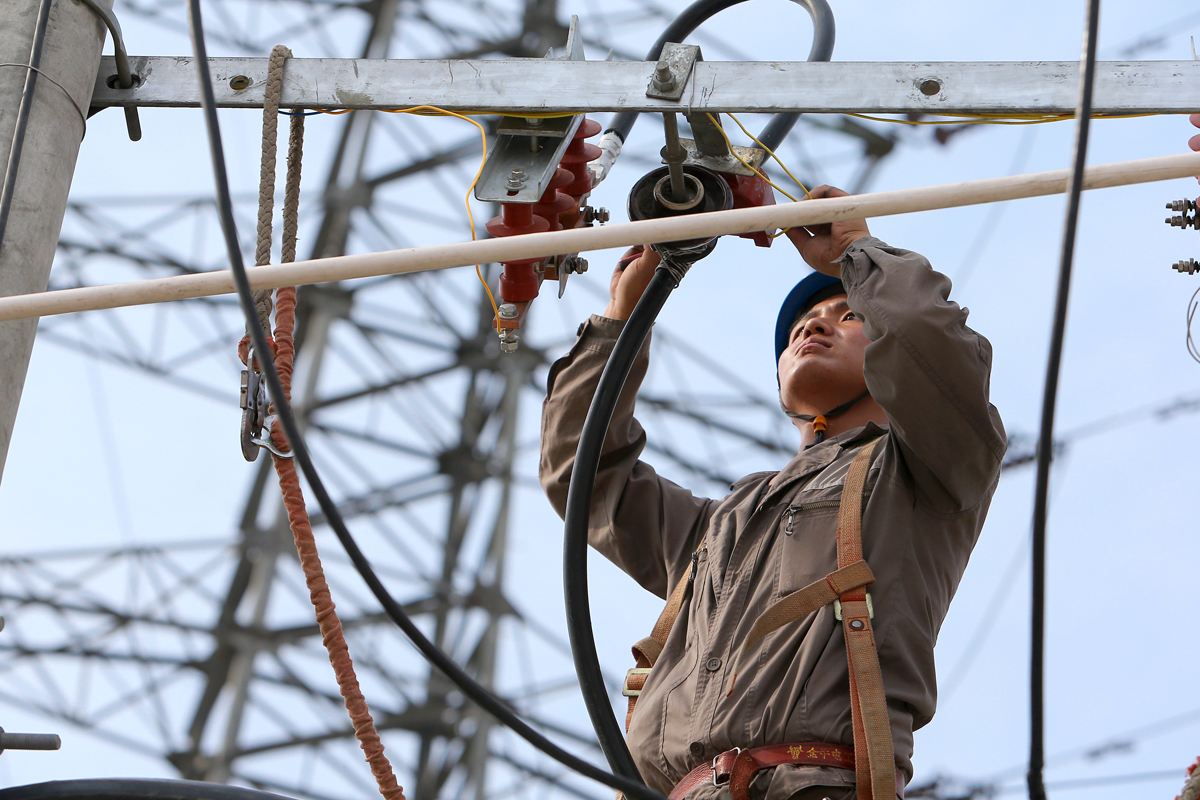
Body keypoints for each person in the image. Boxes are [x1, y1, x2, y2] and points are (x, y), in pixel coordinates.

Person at [540, 185, 1006, 800]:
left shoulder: (925, 468)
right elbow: (581, 472)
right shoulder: (723, 527)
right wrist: (622, 321)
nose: (815, 323)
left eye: (850, 315)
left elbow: (926, 339)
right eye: (798, 329)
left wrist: (855, 252)